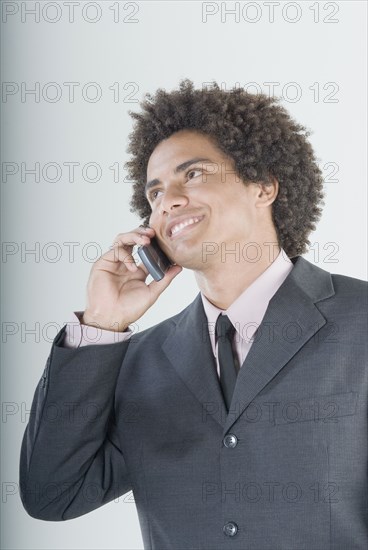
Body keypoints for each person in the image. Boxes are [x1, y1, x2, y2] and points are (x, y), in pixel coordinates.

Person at [20, 79, 367, 549]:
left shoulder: (359, 320)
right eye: (155, 192)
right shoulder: (138, 360)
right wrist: (101, 325)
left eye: (194, 174)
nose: (168, 201)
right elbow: (53, 496)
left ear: (263, 186)